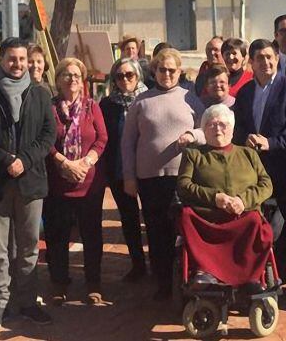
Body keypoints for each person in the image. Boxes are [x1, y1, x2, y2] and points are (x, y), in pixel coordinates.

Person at [0, 37, 56, 329]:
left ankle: (28, 301)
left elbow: (47, 136)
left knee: (29, 246)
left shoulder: (40, 94)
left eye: (22, 59)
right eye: (11, 59)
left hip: (30, 182)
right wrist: (7, 159)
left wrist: (25, 161)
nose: (18, 65)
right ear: (1, 60)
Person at [231, 38, 286, 303]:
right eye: (259, 58)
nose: (265, 62)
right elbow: (239, 127)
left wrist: (272, 143)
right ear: (250, 62)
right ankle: (262, 280)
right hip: (254, 176)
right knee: (260, 229)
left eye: (269, 57)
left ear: (276, 58)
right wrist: (246, 139)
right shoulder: (244, 93)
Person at [122, 47, 204, 300]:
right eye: (161, 69)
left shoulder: (191, 98)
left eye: (172, 70)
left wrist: (193, 135)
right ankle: (162, 284)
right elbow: (128, 142)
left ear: (180, 71)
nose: (166, 74)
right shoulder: (141, 101)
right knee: (157, 233)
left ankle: (188, 280)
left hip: (184, 179)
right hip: (150, 179)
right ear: (154, 71)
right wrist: (129, 177)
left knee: (185, 232)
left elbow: (206, 129)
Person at [176, 104, 274, 289]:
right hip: (207, 218)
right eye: (211, 125)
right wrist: (216, 198)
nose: (217, 129)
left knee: (254, 219)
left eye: (222, 124)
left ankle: (249, 274)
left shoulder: (249, 154)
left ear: (232, 128)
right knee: (186, 216)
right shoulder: (193, 154)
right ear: (204, 130)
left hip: (242, 215)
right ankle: (205, 270)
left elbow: (266, 184)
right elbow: (184, 185)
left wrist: (243, 201)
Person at [45, 57, 108, 305]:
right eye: (66, 75)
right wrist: (64, 163)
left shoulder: (93, 107)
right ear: (58, 80)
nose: (72, 79)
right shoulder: (49, 108)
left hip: (89, 183)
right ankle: (59, 283)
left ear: (82, 81)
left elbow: (102, 138)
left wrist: (85, 163)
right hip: (58, 182)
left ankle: (93, 283)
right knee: (57, 236)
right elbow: (44, 139)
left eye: (76, 75)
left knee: (92, 235)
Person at [99, 57, 149, 282]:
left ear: (138, 75)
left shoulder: (150, 99)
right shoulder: (107, 105)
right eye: (119, 76)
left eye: (130, 75)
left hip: (149, 169)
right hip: (120, 170)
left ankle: (159, 264)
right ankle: (137, 265)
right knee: (129, 220)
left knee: (152, 219)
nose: (125, 80)